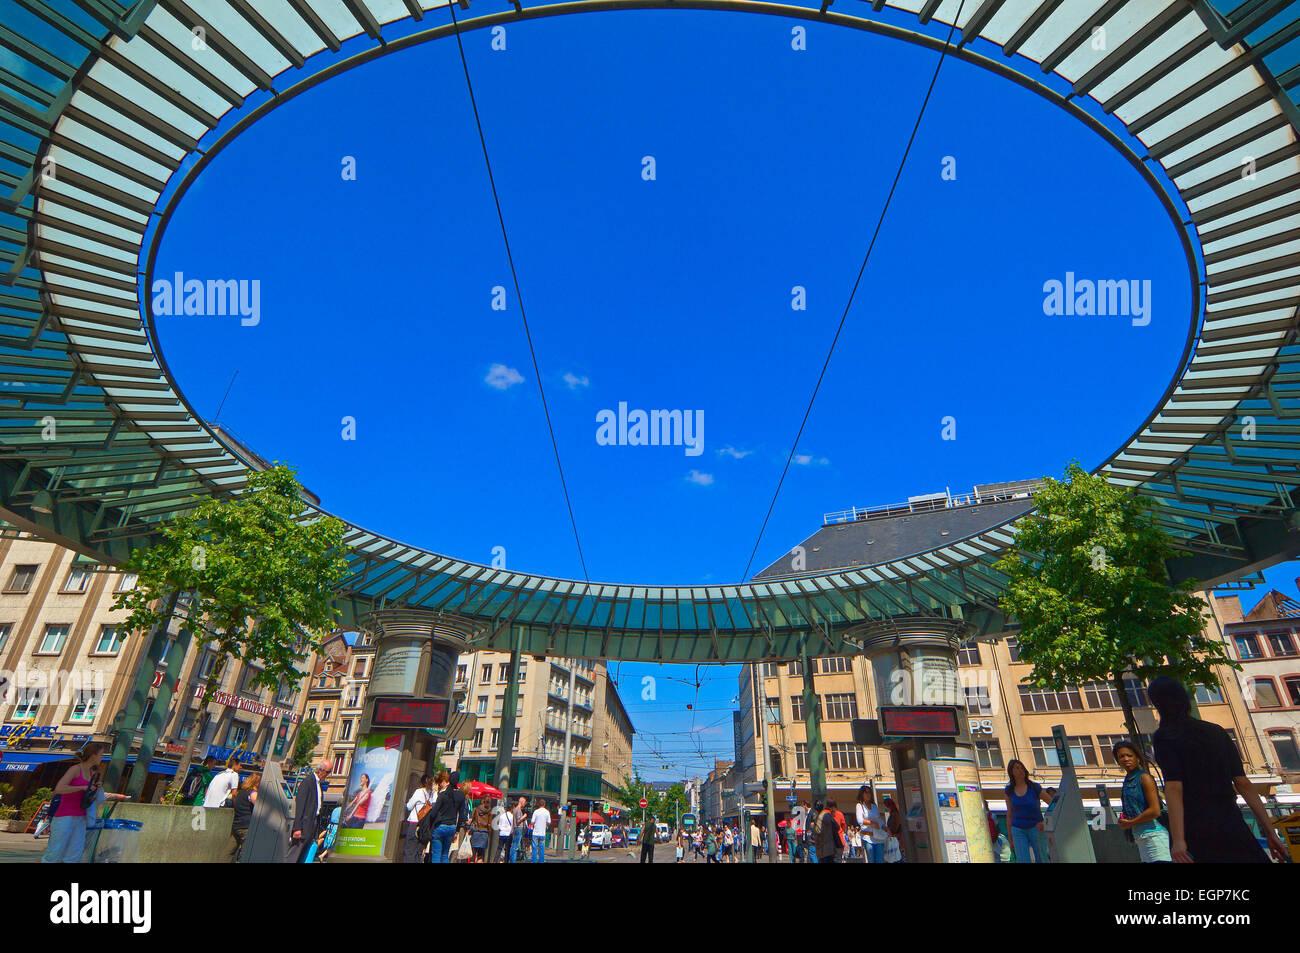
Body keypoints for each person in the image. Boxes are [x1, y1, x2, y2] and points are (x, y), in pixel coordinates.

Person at [1149, 676, 1287, 863]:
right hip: (1230, 820)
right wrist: (1271, 832)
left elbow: (1174, 788)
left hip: (1195, 826)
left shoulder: (1164, 737)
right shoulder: (1216, 731)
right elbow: (1243, 784)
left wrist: (1179, 840)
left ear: (1157, 704)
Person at [42, 743, 129, 863]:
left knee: (74, 854)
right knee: (54, 853)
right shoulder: (75, 769)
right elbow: (59, 789)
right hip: (65, 817)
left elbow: (94, 797)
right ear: (93, 756)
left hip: (81, 818)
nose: (102, 757)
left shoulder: (92, 774)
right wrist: (82, 787)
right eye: (100, 755)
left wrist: (97, 789)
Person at [1112, 741, 1171, 863]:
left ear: (1137, 758)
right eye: (1121, 756)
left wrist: (1130, 822)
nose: (1125, 759)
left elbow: (1154, 811)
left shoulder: (1144, 778)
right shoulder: (1128, 780)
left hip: (1155, 835)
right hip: (1140, 836)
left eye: (1129, 755)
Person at [1005, 759, 1051, 863]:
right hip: (1018, 829)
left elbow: (1052, 804)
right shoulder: (1009, 790)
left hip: (1036, 827)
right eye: (1017, 768)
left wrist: (1044, 822)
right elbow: (1009, 814)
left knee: (1042, 858)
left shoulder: (1034, 787)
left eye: (1022, 767)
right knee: (1022, 860)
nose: (1020, 770)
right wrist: (1010, 837)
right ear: (1011, 772)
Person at [288, 759, 331, 863]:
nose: (328, 775)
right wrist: (297, 828)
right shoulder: (308, 782)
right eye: (328, 772)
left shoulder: (318, 784)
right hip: (303, 825)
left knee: (303, 854)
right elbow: (300, 806)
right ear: (320, 770)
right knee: (294, 854)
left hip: (312, 824)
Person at [426, 770, 466, 863]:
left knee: (436, 854)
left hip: (439, 826)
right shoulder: (461, 796)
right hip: (451, 827)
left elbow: (434, 812)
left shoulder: (443, 795)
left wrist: (431, 824)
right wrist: (457, 831)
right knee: (445, 855)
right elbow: (461, 816)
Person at [229, 772, 259, 862]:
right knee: (246, 851)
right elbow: (259, 806)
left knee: (231, 852)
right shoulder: (252, 793)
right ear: (256, 783)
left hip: (236, 825)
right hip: (246, 826)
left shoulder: (241, 792)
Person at [404, 774, 434, 863]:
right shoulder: (431, 794)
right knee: (419, 852)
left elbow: (409, 806)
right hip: (424, 826)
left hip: (414, 823)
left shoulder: (419, 791)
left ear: (421, 783)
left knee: (410, 850)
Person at [855, 785, 886, 864]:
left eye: (869, 793)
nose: (868, 794)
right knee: (871, 860)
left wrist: (885, 827)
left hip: (878, 836)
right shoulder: (860, 806)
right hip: (867, 837)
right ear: (862, 794)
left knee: (880, 860)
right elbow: (860, 820)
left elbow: (879, 819)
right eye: (866, 793)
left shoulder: (874, 806)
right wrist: (872, 823)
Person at [469, 796, 493, 862]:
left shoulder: (476, 809)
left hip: (476, 832)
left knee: (472, 855)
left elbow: (472, 820)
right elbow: (489, 824)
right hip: (484, 833)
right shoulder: (489, 811)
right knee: (481, 855)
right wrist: (489, 833)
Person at [882, 795, 903, 862]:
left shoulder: (894, 815)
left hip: (896, 839)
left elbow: (894, 828)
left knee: (895, 857)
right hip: (898, 839)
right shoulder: (896, 814)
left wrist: (887, 830)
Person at [508, 796, 527, 863]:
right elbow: (518, 820)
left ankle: (512, 860)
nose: (524, 804)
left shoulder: (515, 809)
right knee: (515, 847)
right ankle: (513, 860)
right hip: (518, 829)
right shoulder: (518, 810)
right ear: (521, 802)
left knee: (514, 846)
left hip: (515, 829)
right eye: (524, 802)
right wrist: (524, 816)